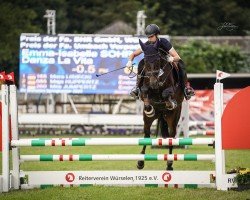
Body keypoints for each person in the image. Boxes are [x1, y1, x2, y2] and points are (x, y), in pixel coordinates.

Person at [126, 24, 195, 100]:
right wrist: (129, 61)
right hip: (153, 66)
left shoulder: (164, 42)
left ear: (157, 35)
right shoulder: (147, 44)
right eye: (148, 37)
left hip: (166, 62)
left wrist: (171, 59)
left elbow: (177, 57)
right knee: (141, 63)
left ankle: (185, 88)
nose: (149, 39)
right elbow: (133, 54)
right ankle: (137, 88)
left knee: (180, 64)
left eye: (151, 36)